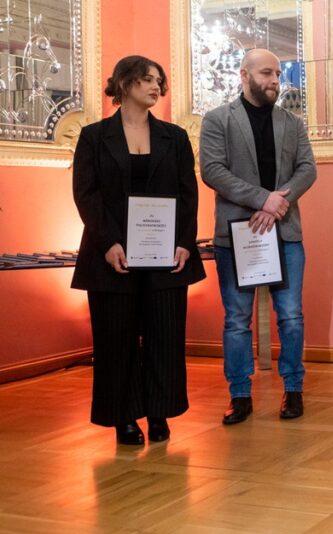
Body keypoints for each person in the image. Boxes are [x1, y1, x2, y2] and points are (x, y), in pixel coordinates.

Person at [71, 55, 206, 445]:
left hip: (167, 255)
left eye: (159, 81)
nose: (156, 87)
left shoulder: (176, 137)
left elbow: (188, 195)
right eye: (147, 79)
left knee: (165, 336)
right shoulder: (94, 137)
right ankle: (124, 417)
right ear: (125, 83)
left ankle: (160, 411)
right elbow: (86, 194)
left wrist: (184, 243)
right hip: (111, 255)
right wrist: (109, 242)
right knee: (117, 338)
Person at [199, 48, 317, 425]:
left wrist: (277, 203)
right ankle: (239, 395)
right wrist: (262, 199)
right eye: (266, 73)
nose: (274, 81)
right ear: (244, 75)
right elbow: (213, 171)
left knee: (292, 317)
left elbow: (307, 170)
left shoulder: (293, 123)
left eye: (278, 75)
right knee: (236, 319)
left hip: (285, 232)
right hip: (237, 235)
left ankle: (293, 389)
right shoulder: (218, 120)